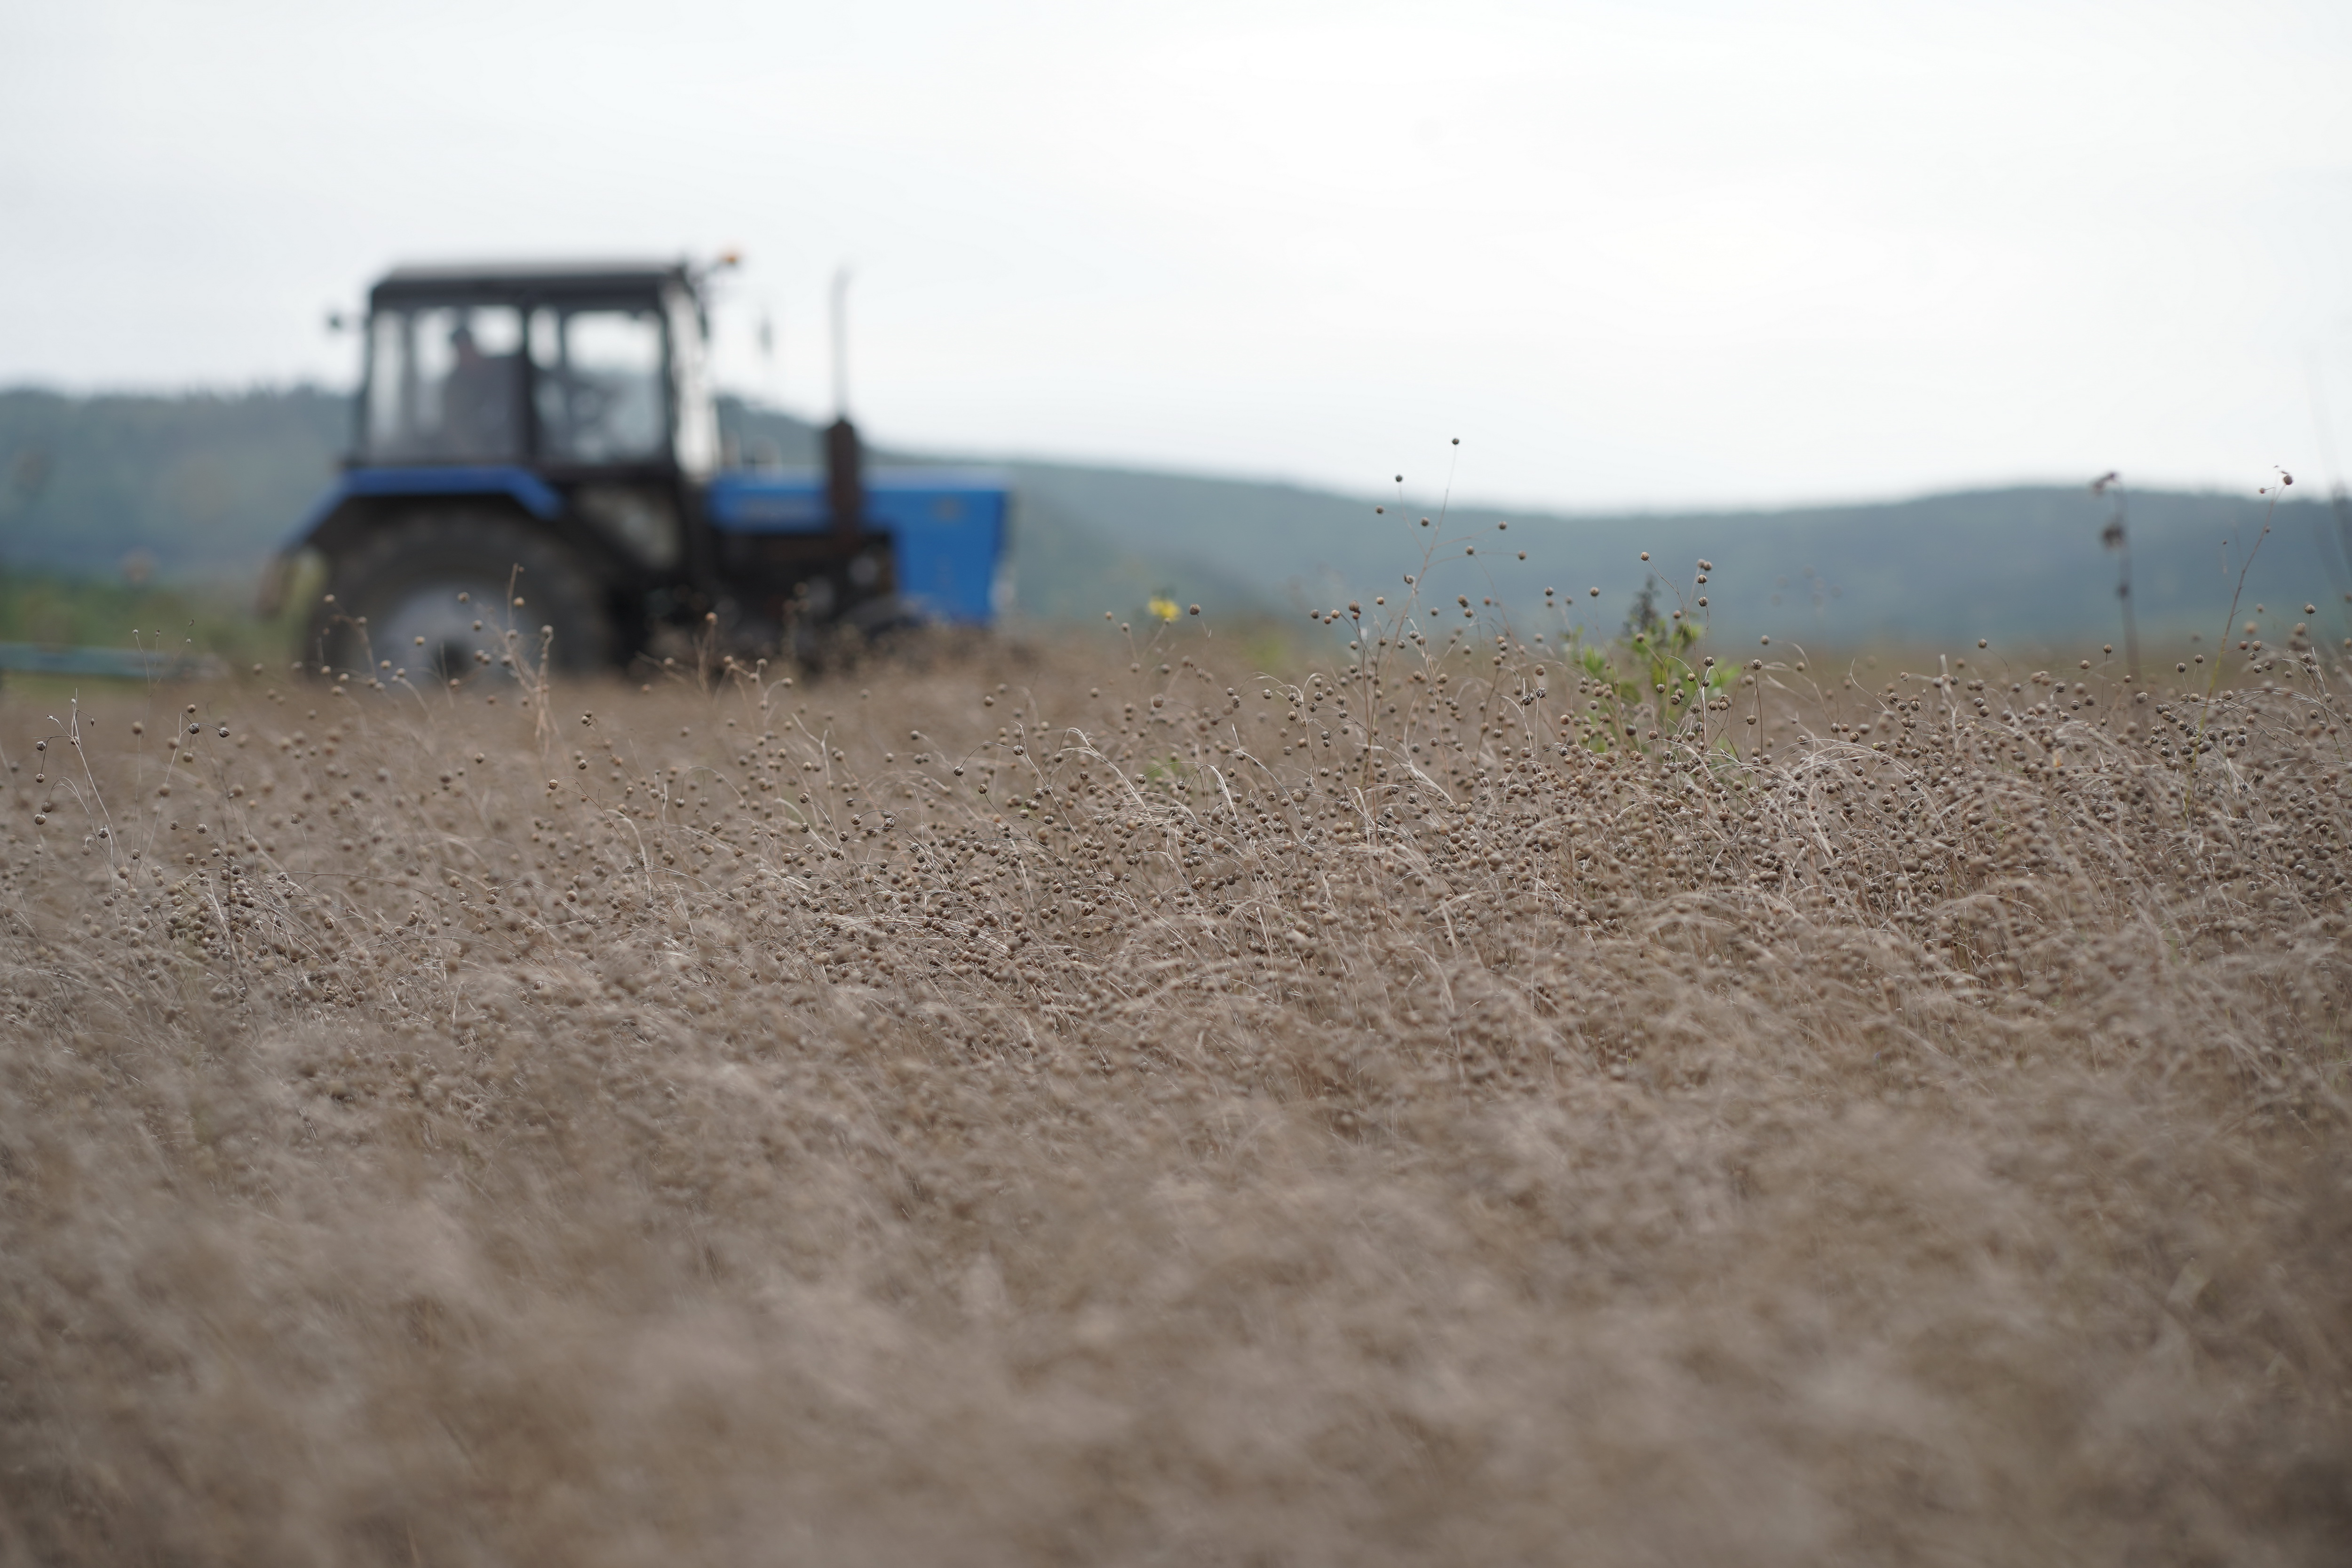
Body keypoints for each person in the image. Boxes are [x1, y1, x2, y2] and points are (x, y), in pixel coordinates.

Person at [438, 320, 517, 458]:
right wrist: (476, 459)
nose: (466, 355)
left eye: (467, 348)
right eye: (460, 350)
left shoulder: (507, 367)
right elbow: (456, 426)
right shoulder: (455, 386)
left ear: (474, 346)